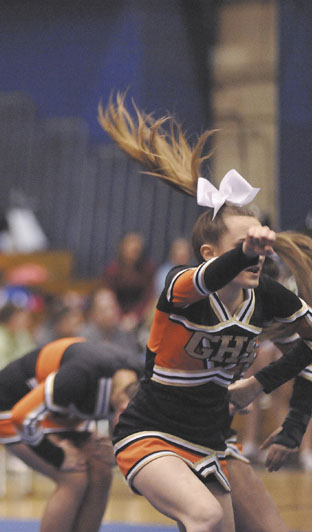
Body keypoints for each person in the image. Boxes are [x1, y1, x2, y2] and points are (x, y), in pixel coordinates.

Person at [98, 93, 312, 532]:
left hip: (213, 440)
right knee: (206, 516)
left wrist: (287, 419)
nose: (254, 258)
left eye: (258, 248)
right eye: (242, 249)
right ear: (210, 254)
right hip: (151, 434)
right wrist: (245, 250)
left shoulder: (268, 297)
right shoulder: (182, 286)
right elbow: (205, 279)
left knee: (269, 527)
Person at [0, 337, 140, 532]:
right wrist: (56, 454)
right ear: (122, 407)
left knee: (102, 471)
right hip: (11, 406)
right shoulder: (80, 375)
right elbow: (22, 417)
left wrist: (117, 450)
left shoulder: (141, 379)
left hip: (62, 412)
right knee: (74, 478)